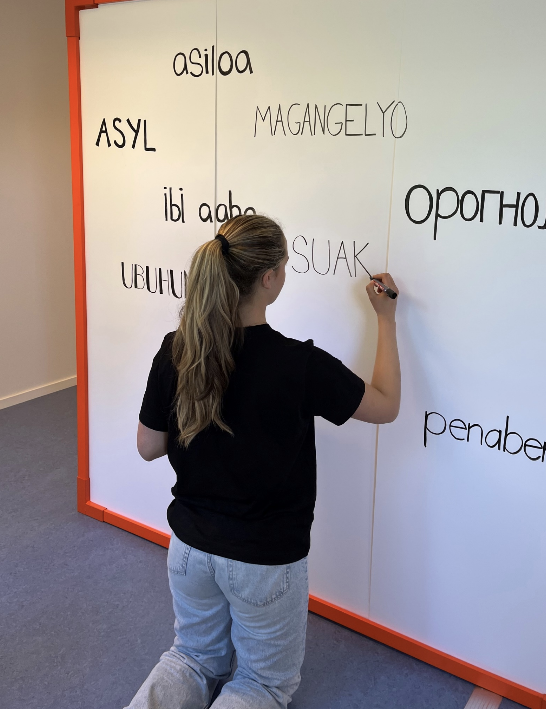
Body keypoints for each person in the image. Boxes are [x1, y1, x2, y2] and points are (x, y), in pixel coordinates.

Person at [127, 214, 400, 709]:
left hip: (189, 549)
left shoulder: (178, 349)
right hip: (264, 561)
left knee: (189, 658)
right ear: (269, 278)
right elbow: (386, 405)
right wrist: (385, 319)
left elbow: (148, 446)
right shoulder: (299, 364)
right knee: (260, 684)